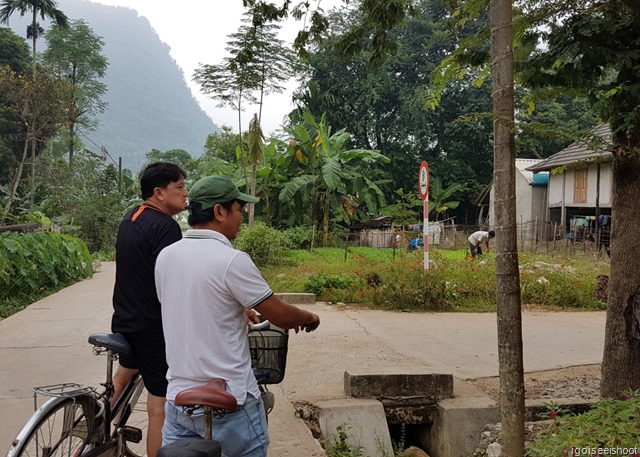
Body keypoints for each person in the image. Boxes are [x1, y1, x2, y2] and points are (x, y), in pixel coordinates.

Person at [155, 176, 320, 456]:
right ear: (220, 212)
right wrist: (308, 317)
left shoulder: (166, 256)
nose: (241, 218)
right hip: (231, 402)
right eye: (238, 210)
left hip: (178, 402)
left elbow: (190, 305)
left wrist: (236, 309)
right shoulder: (232, 260)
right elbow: (280, 314)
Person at [111, 162, 188, 457]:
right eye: (179, 187)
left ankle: (95, 434)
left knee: (122, 377)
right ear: (159, 192)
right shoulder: (165, 226)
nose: (185, 193)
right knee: (160, 405)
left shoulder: (130, 217)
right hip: (152, 327)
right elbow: (172, 282)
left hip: (125, 320)